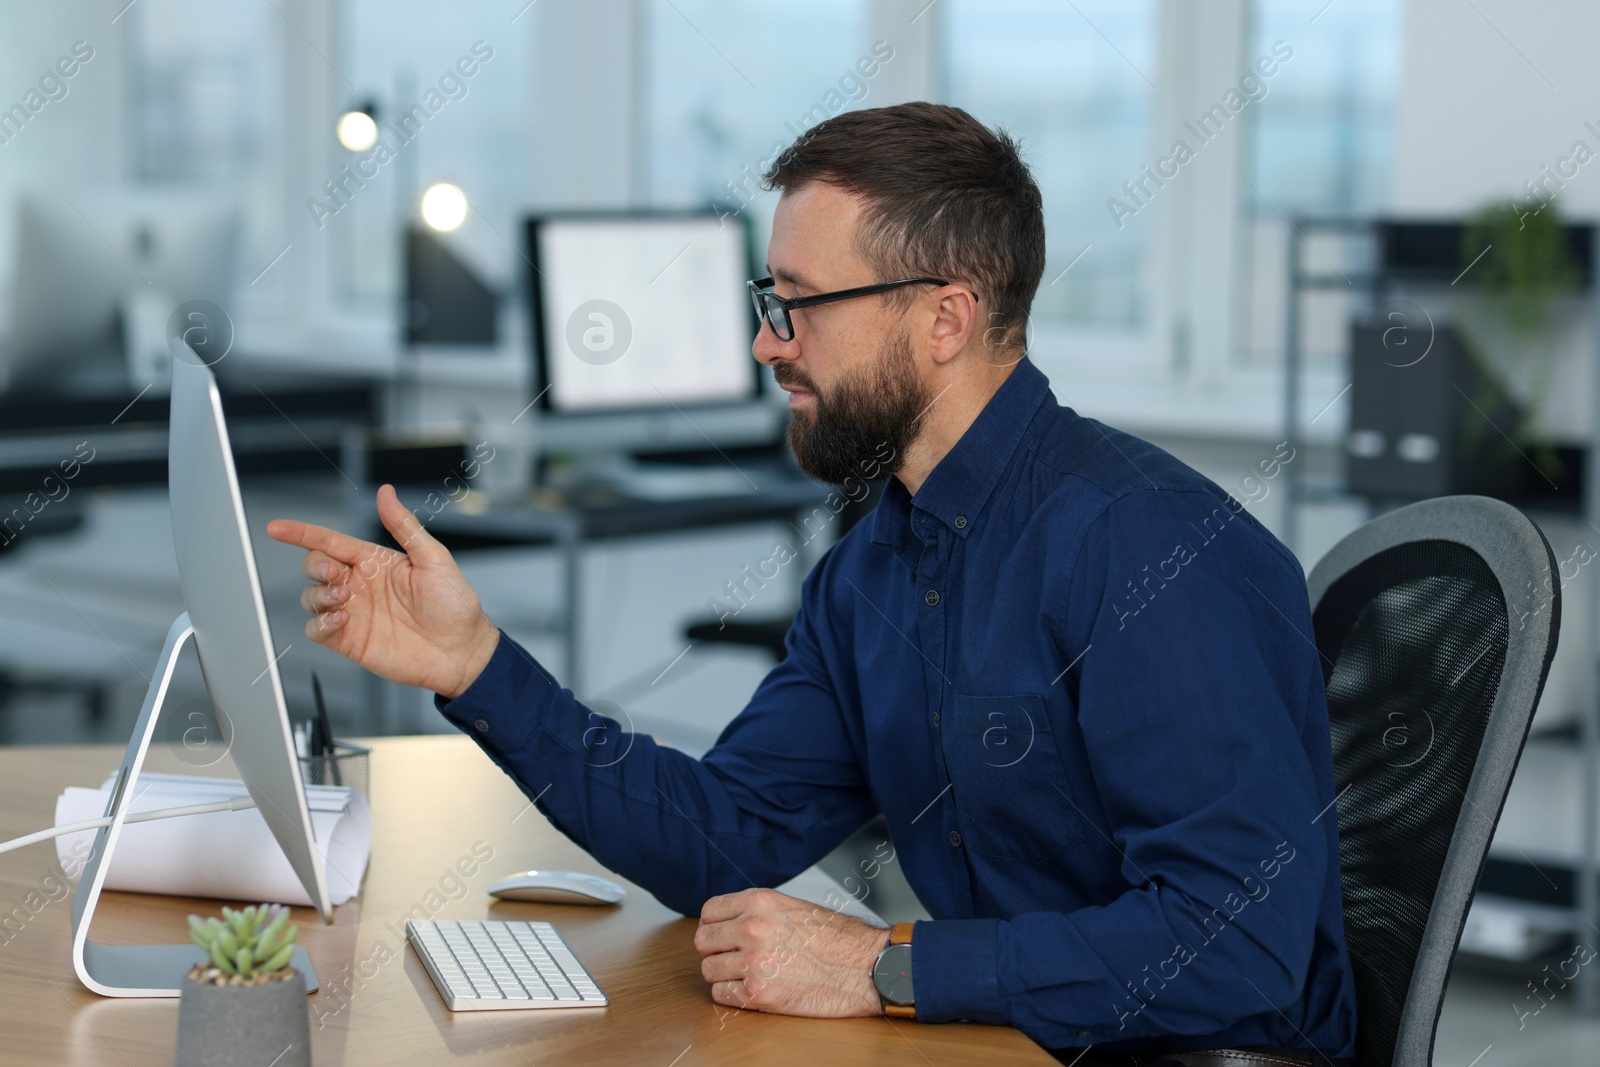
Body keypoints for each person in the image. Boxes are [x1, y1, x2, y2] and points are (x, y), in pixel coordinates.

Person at [268, 102, 1357, 1065]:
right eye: (766, 296)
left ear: (944, 316)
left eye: (800, 303)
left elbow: (1238, 944)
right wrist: (479, 665)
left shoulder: (1148, 549)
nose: (763, 341)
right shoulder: (874, 567)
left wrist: (890, 963)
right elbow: (725, 834)